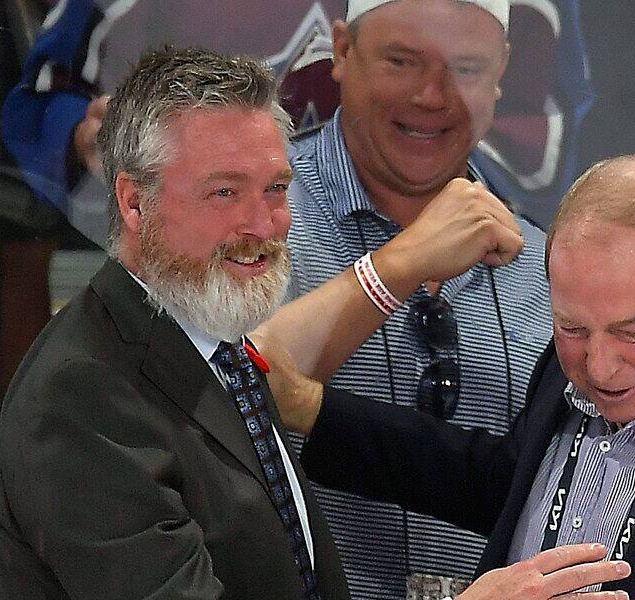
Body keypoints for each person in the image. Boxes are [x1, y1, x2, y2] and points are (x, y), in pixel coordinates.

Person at [0, 45, 629, 600]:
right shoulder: (83, 401)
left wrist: (314, 409)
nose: (262, 224)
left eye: (276, 189)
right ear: (133, 201)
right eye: (224, 192)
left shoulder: (215, 351)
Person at [255, 155, 635, 597]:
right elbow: (503, 483)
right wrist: (312, 409)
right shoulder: (559, 366)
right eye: (572, 328)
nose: (599, 366)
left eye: (630, 333)